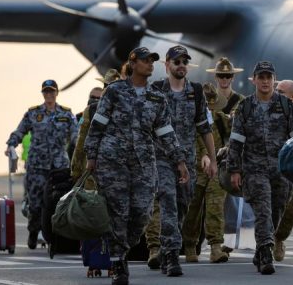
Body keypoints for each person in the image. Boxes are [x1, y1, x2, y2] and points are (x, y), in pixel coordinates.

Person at [85, 47, 189, 285]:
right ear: (132, 64)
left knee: (141, 214)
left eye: (152, 60)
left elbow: (165, 131)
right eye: (145, 61)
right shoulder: (114, 92)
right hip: (113, 162)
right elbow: (98, 124)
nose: (150, 64)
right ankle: (119, 262)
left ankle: (120, 248)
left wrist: (179, 160)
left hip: (144, 163)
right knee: (117, 213)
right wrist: (91, 156)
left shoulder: (156, 97)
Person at [145, 45, 217, 276]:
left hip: (188, 161)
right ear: (166, 65)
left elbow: (204, 129)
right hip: (162, 159)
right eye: (176, 62)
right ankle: (172, 256)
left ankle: (167, 247)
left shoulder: (196, 92)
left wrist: (213, 160)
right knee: (167, 203)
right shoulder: (156, 90)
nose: (181, 66)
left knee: (181, 207)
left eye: (184, 62)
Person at [227, 61, 293, 275]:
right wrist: (234, 169)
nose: (265, 81)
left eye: (269, 77)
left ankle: (261, 248)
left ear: (273, 80)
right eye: (261, 77)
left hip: (281, 169)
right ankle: (266, 252)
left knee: (277, 209)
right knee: (263, 210)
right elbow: (236, 140)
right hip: (255, 168)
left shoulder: (287, 106)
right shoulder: (245, 107)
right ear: (254, 80)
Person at [181, 57, 244, 263]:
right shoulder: (190, 119)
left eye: (228, 76)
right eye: (206, 103)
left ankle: (216, 247)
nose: (210, 106)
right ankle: (190, 246)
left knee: (216, 207)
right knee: (193, 209)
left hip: (216, 167)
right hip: (195, 166)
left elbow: (235, 134)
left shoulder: (222, 116)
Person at [5, 79, 78, 249]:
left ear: (57, 93)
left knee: (59, 201)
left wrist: (82, 147)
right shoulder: (33, 113)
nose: (49, 94)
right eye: (46, 92)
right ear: (42, 94)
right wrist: (11, 144)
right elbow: (20, 131)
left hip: (59, 165)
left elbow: (76, 136)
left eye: (51, 91)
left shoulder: (67, 114)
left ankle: (56, 236)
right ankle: (33, 231)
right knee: (36, 202)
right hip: (37, 165)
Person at [71, 69, 121, 187]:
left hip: (100, 170)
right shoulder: (131, 108)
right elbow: (80, 141)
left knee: (94, 203)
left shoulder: (92, 110)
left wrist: (75, 171)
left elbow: (81, 142)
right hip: (113, 172)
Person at [272, 79, 293, 261]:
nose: (276, 93)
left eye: (281, 91)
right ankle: (265, 245)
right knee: (267, 209)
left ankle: (279, 238)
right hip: (266, 167)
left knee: (291, 212)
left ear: (292, 97)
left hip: (288, 170)